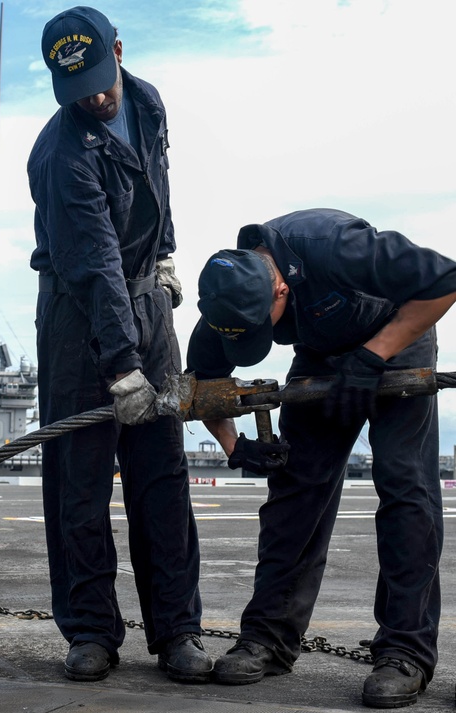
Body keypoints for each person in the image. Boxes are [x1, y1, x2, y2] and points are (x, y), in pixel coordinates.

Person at [187, 208, 456, 708]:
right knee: (294, 490)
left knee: (405, 489)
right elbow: (205, 388)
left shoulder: (335, 245)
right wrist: (233, 445)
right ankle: (269, 637)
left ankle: (406, 653)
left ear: (281, 291)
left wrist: (374, 355)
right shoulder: (229, 303)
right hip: (322, 354)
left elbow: (445, 278)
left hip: (398, 338)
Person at [28, 6, 210, 684]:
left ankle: (179, 628)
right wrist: (124, 370)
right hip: (79, 314)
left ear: (120, 53)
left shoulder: (148, 102)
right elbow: (96, 263)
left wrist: (165, 257)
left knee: (162, 471)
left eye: (102, 82)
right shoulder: (61, 155)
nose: (96, 98)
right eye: (79, 90)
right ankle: (92, 630)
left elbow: (156, 189)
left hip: (146, 297)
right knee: (80, 482)